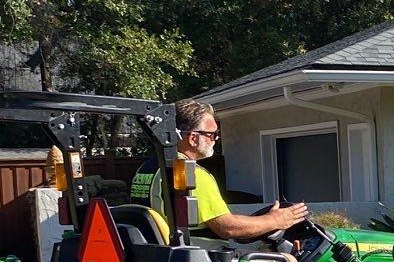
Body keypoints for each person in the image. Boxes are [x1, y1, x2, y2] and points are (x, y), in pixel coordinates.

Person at [131, 99, 311, 243]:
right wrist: (275, 221)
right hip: (199, 258)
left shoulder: (147, 170)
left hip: (162, 256)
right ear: (193, 138)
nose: (216, 139)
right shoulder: (191, 174)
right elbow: (227, 228)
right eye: (212, 134)